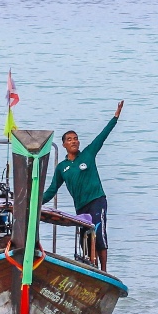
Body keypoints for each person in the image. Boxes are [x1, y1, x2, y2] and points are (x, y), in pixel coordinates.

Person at [45, 100, 123, 267]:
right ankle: (90, 267)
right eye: (69, 139)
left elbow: (102, 136)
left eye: (76, 139)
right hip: (81, 207)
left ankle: (104, 270)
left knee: (99, 235)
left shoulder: (88, 154)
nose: (74, 141)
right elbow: (52, 190)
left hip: (97, 200)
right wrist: (35, 201)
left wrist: (115, 117)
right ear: (64, 144)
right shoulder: (62, 168)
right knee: (84, 242)